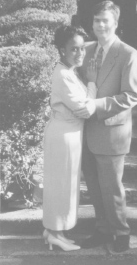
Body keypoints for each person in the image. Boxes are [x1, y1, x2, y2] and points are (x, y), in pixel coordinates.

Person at [74, 0, 137, 252]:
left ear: (115, 23)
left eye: (105, 20)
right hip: (86, 132)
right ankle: (103, 230)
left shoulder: (128, 54)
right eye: (96, 20)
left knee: (112, 189)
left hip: (112, 131)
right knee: (93, 186)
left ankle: (121, 233)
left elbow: (132, 96)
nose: (100, 25)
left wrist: (96, 105)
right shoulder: (86, 50)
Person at [42, 25, 98, 251]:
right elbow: (84, 109)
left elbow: (84, 104)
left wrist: (88, 94)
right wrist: (93, 83)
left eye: (82, 48)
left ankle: (56, 231)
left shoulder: (70, 71)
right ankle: (54, 233)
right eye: (73, 49)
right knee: (60, 186)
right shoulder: (63, 74)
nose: (80, 53)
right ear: (61, 50)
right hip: (63, 135)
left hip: (71, 134)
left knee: (66, 186)